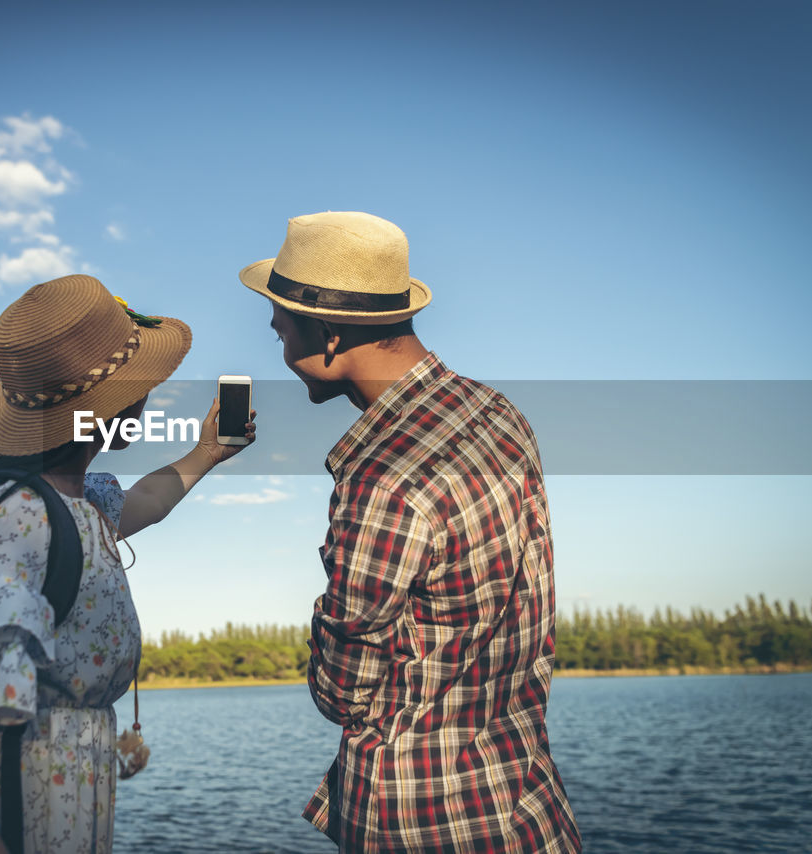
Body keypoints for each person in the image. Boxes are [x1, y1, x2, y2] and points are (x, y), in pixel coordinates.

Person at [0, 274, 254, 854]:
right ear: (115, 401)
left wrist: (206, 452)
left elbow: (144, 503)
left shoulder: (71, 504)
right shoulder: (12, 518)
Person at [239, 212, 580, 852]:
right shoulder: (499, 413)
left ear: (332, 335)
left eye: (283, 333)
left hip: (423, 818)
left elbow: (342, 692)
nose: (283, 353)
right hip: (525, 802)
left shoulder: (380, 477)